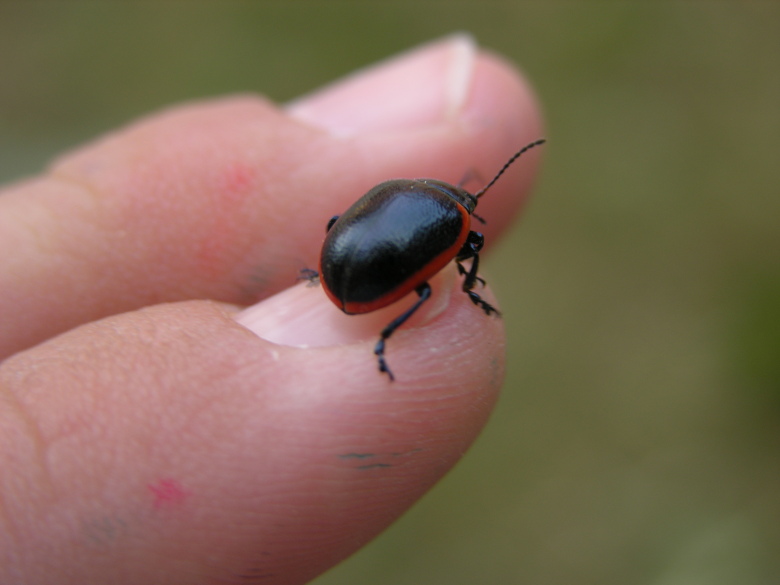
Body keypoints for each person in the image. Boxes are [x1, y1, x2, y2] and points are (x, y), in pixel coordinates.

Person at [0, 34, 543, 584]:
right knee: (430, 293)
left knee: (416, 282)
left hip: (341, 260)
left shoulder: (415, 192)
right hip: (356, 275)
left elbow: (349, 222)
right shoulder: (449, 222)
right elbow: (453, 250)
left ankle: (362, 312)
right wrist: (466, 284)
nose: (473, 211)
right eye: (472, 204)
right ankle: (384, 338)